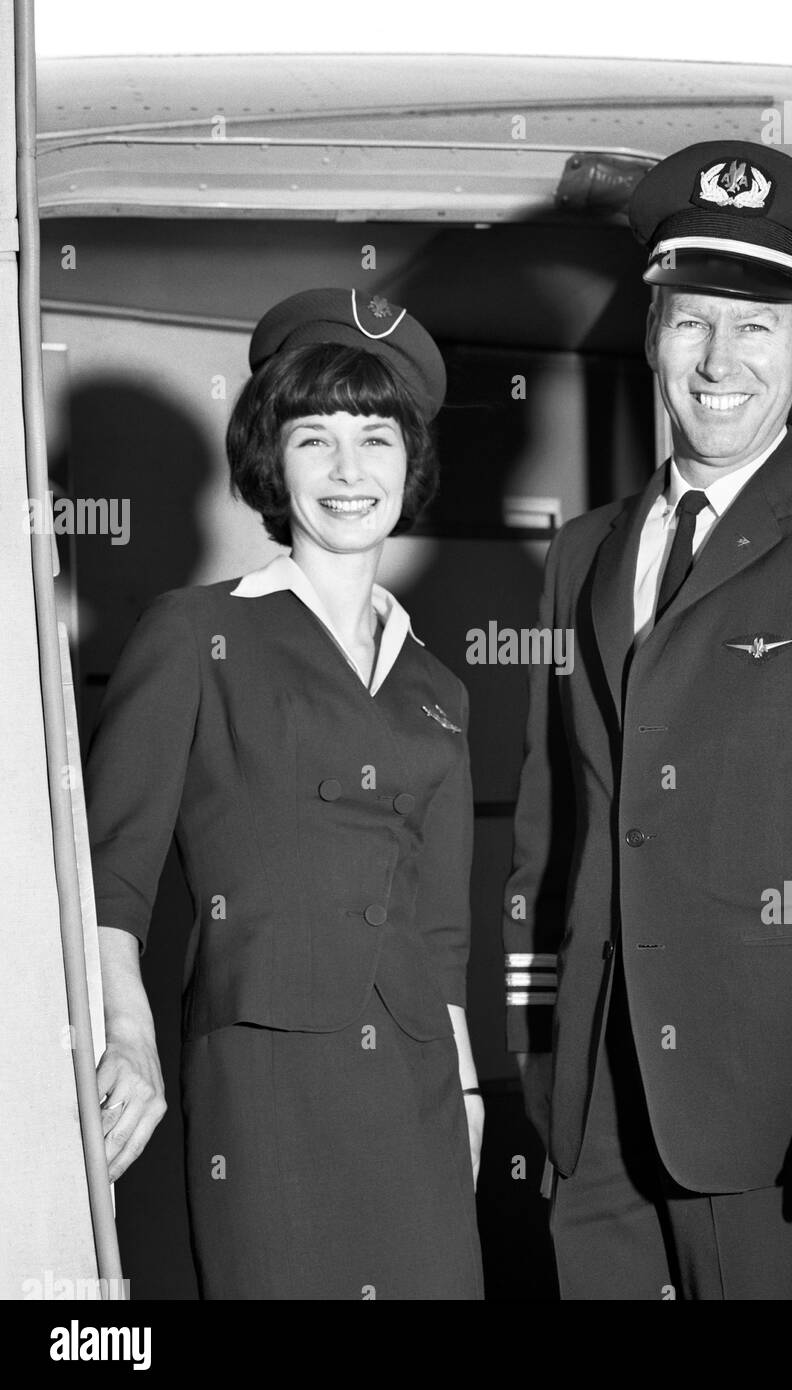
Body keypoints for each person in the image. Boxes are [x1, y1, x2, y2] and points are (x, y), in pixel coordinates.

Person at [503, 142, 792, 1300]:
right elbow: (549, 819)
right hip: (596, 1105)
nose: (717, 360)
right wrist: (538, 1048)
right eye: (691, 321)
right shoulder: (585, 553)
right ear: (653, 331)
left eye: (755, 326)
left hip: (780, 1100)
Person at [86, 288, 484, 1300]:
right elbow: (110, 872)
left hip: (417, 1086)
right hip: (264, 1075)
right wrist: (126, 1033)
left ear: (412, 463)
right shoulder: (195, 633)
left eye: (376, 439)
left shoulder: (438, 687)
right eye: (315, 439)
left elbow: (440, 928)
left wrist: (469, 1086)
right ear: (274, 460)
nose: (349, 471)